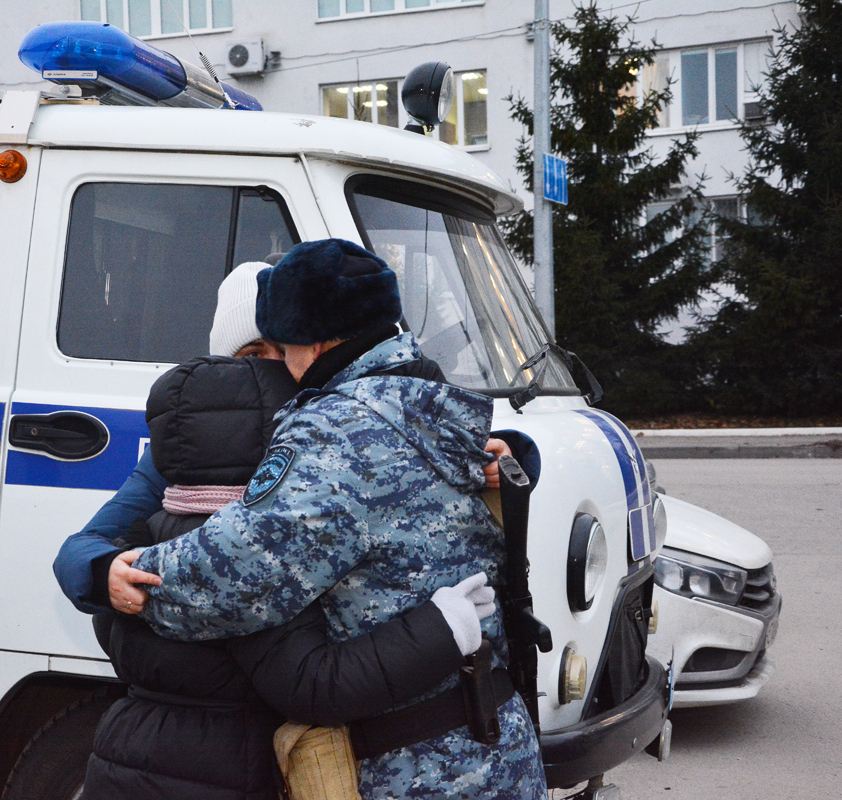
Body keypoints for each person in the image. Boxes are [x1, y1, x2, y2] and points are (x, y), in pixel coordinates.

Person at [120, 239, 548, 799]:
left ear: (314, 341)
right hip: (501, 752)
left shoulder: (337, 432)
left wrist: (133, 578)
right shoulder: (428, 398)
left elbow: (238, 576)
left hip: (422, 771)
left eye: (283, 348)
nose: (284, 369)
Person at [83, 354, 494, 800]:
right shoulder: (250, 555)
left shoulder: (143, 536)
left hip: (123, 755)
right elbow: (313, 685)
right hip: (226, 772)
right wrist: (443, 628)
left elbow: (106, 622)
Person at [52, 261, 508, 616]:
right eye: (253, 354)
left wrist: (501, 458)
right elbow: (82, 544)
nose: (272, 366)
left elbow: (438, 440)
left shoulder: (340, 427)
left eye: (281, 349)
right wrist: (102, 573)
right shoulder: (184, 451)